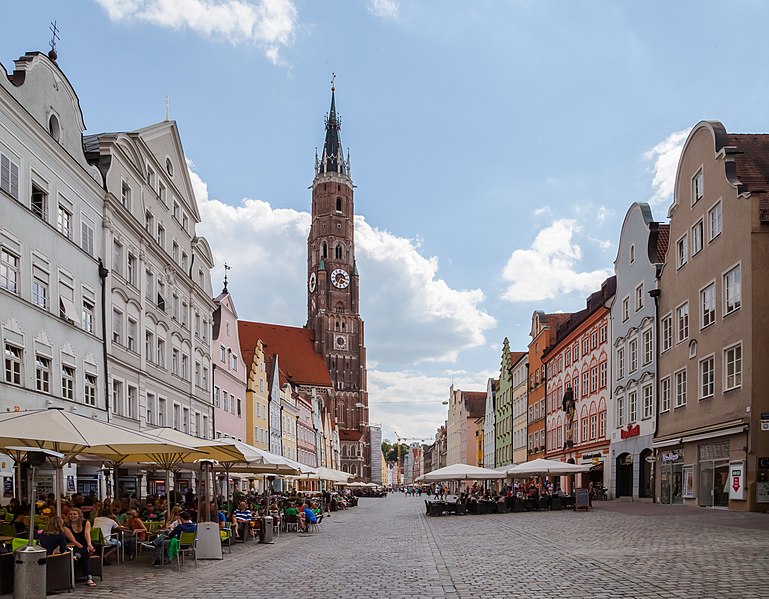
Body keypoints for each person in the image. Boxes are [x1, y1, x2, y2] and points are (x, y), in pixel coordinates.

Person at [64, 507, 96, 587]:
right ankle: (88, 578)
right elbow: (73, 540)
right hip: (74, 545)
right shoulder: (66, 526)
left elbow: (87, 534)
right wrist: (84, 549)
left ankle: (77, 556)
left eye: (75, 514)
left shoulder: (86, 523)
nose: (72, 516)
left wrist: (89, 545)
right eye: (71, 514)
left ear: (79, 515)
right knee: (86, 554)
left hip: (85, 543)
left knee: (87, 550)